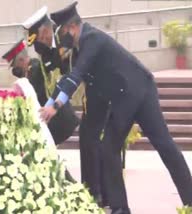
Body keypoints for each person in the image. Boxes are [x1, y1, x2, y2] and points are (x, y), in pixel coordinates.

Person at [39, 2, 192, 214]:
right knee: (108, 148)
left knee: (164, 145)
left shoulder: (92, 39)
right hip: (122, 99)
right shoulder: (79, 47)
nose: (61, 37)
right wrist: (47, 105)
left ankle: (191, 200)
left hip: (141, 90)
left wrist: (55, 106)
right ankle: (120, 207)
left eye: (62, 31)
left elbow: (77, 74)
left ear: (72, 28)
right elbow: (68, 78)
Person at [23, 4, 108, 206]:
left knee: (95, 144)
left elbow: (71, 73)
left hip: (99, 90)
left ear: (45, 30)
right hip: (84, 96)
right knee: (87, 142)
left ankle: (98, 194)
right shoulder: (45, 50)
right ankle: (91, 192)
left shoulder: (65, 38)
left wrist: (55, 104)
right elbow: (56, 79)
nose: (40, 41)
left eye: (40, 35)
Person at [2, 39, 79, 146]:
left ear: (21, 60)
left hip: (59, 120)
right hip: (54, 119)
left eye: (15, 66)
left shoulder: (35, 69)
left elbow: (32, 98)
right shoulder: (31, 70)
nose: (15, 70)